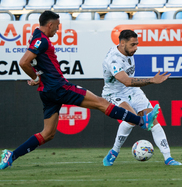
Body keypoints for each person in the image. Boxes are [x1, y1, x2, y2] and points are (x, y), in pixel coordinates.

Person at [0, 11, 160, 170]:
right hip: (58, 87)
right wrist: (35, 77)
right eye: (57, 25)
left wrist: (38, 77)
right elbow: (23, 62)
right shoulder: (41, 40)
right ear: (50, 25)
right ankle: (142, 121)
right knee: (101, 103)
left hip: (47, 91)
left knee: (48, 133)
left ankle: (11, 156)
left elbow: (32, 61)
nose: (58, 29)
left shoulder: (36, 37)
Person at [102, 30, 182, 166]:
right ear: (122, 43)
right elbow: (126, 81)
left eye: (137, 44)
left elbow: (129, 84)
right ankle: (114, 152)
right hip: (114, 94)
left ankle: (168, 158)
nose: (136, 48)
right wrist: (152, 80)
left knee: (153, 121)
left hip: (133, 91)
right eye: (133, 45)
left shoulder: (127, 51)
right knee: (131, 119)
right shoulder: (113, 59)